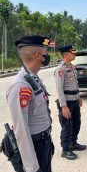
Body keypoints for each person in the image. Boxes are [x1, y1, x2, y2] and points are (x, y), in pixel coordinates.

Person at [6, 35, 54, 172]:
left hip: (43, 142)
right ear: (39, 55)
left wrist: (49, 144)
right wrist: (31, 167)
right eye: (46, 52)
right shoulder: (21, 85)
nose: (47, 55)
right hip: (33, 146)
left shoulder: (34, 79)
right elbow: (21, 129)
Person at [54, 45, 87, 160]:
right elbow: (59, 89)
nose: (74, 54)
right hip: (66, 103)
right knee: (67, 126)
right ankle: (65, 149)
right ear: (66, 54)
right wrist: (63, 106)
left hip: (74, 101)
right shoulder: (60, 70)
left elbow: (75, 84)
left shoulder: (72, 67)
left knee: (76, 123)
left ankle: (73, 143)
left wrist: (78, 97)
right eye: (72, 53)